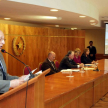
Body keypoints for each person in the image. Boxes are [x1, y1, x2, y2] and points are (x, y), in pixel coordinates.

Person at [0, 30, 26, 94]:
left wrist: (18, 79)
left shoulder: (0, 54)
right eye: (0, 39)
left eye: (4, 39)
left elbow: (4, 76)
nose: (3, 42)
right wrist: (10, 83)